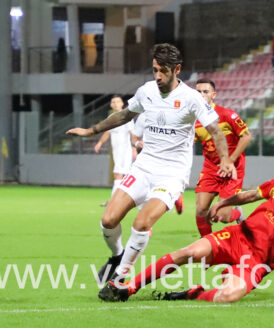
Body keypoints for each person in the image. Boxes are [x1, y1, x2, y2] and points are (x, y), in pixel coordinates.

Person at [66, 43, 237, 299]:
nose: (157, 76)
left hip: (171, 174)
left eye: (163, 71)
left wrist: (225, 159)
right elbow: (124, 115)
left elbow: (215, 130)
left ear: (177, 70)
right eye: (155, 69)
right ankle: (117, 256)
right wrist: (92, 131)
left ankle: (120, 279)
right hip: (144, 166)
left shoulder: (191, 98)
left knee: (142, 222)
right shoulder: (147, 91)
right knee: (108, 220)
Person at [100, 158, 274, 304]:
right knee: (187, 252)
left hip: (256, 263)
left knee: (227, 297)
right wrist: (224, 203)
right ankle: (128, 287)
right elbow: (250, 195)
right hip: (237, 237)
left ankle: (193, 293)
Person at [194, 78, 251, 237]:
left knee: (223, 217)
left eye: (205, 91)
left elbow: (246, 136)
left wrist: (230, 161)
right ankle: (206, 248)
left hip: (233, 168)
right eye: (198, 92)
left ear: (214, 95)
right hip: (211, 168)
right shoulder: (193, 120)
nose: (201, 95)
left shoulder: (227, 115)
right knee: (200, 210)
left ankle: (237, 214)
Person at [94, 95, 135, 198]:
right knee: (120, 175)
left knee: (118, 175)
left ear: (122, 103)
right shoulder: (111, 117)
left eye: (117, 101)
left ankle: (114, 200)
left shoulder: (126, 116)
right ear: (111, 105)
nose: (115, 104)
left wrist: (134, 148)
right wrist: (100, 143)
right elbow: (108, 132)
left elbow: (132, 133)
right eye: (113, 102)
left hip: (124, 151)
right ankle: (120, 199)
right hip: (116, 151)